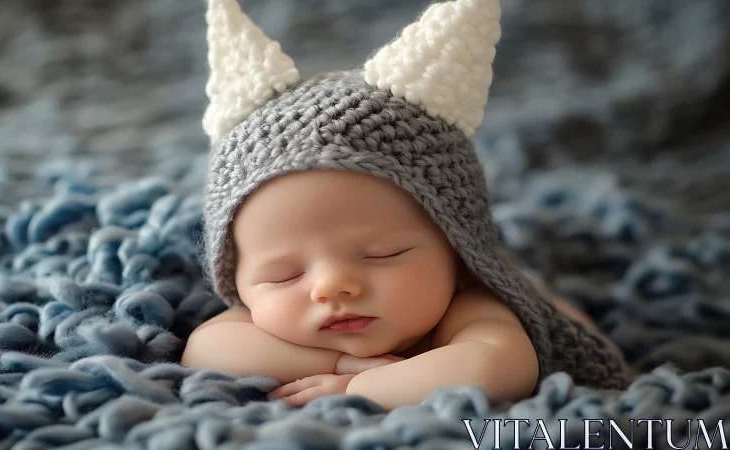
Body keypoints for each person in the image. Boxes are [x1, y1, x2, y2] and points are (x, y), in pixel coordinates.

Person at [181, 0, 632, 412]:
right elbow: (206, 348)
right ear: (236, 279)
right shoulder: (265, 318)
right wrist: (339, 363)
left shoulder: (469, 308)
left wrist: (356, 390)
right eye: (284, 274)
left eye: (382, 254)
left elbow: (496, 368)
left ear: (458, 252)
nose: (332, 286)